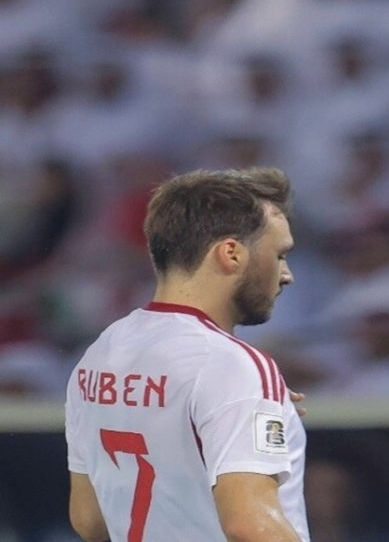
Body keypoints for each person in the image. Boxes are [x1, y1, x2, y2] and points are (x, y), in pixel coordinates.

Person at [65, 167, 309, 541]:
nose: (287, 274)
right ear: (232, 253)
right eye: (280, 255)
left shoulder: (100, 353)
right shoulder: (232, 365)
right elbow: (253, 526)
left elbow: (89, 519)